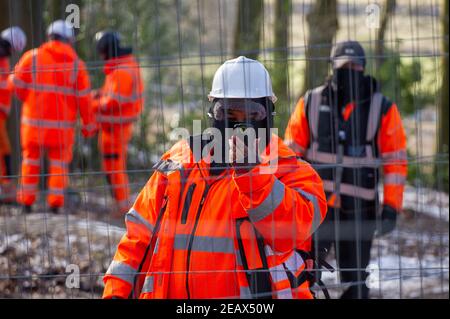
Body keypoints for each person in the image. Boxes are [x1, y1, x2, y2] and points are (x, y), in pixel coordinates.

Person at [103, 56, 327, 299]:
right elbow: (137, 236)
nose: (239, 124)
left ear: (268, 116)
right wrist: (116, 292)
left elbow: (293, 229)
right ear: (212, 114)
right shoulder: (179, 163)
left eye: (252, 114)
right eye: (228, 113)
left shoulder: (289, 170)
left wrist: (253, 176)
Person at [284, 41, 408, 298]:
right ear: (333, 67)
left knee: (356, 283)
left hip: (360, 212)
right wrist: (289, 201)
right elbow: (290, 156)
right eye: (343, 65)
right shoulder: (311, 102)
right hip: (315, 210)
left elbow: (395, 163)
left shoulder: (382, 108)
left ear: (363, 67)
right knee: (303, 275)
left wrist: (391, 207)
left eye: (355, 65)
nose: (349, 70)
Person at [11, 20, 96, 214]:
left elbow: (16, 84)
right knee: (59, 164)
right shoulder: (77, 66)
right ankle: (55, 204)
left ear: (50, 36)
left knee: (30, 161)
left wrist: (28, 98)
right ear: (69, 40)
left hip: (33, 126)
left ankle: (26, 203)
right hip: (62, 129)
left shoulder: (32, 57)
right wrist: (89, 126)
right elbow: (85, 100)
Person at [92, 31, 144, 216]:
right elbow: (110, 95)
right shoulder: (121, 67)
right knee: (111, 167)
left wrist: (93, 104)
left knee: (115, 167)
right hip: (112, 127)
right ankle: (119, 204)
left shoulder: (122, 71)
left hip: (117, 128)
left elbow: (113, 101)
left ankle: (122, 206)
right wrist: (99, 95)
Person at [0, 26, 26, 203]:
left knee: (5, 150)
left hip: (1, 114)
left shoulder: (3, 60)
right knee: (4, 150)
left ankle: (7, 188)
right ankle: (7, 188)